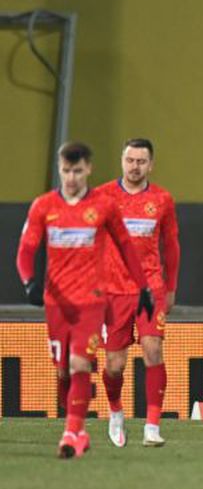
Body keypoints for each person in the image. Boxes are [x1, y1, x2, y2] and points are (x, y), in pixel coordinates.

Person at [16, 141, 154, 459]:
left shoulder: (104, 206)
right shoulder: (43, 206)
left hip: (92, 300)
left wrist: (144, 288)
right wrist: (28, 283)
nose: (72, 178)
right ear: (59, 170)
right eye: (66, 171)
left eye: (78, 171)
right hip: (56, 302)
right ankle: (77, 430)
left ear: (88, 169)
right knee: (63, 371)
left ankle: (70, 433)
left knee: (81, 364)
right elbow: (25, 249)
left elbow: (126, 248)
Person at [95, 138, 180, 448]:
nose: (135, 166)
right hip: (111, 292)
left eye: (141, 161)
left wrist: (170, 288)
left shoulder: (162, 199)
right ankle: (116, 412)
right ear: (122, 161)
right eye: (130, 160)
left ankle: (152, 426)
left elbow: (171, 246)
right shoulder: (102, 196)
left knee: (153, 348)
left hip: (150, 288)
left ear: (151, 164)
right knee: (114, 365)